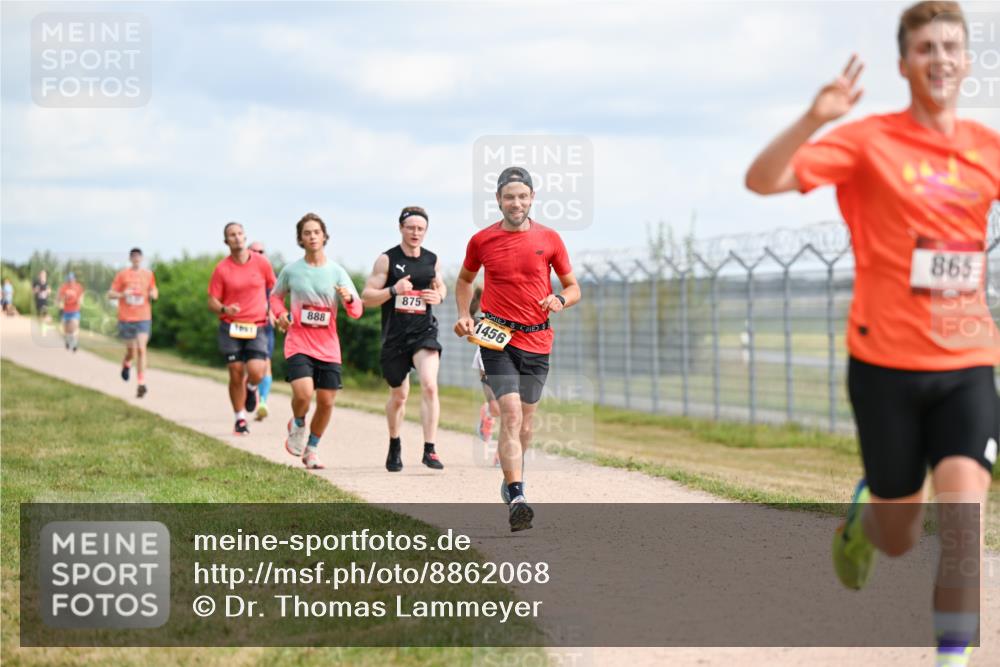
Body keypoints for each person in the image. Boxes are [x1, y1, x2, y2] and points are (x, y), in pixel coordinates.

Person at [745, 2, 1000, 664]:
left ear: (967, 61)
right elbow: (762, 179)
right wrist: (815, 118)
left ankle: (951, 654)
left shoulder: (986, 148)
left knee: (964, 519)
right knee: (899, 535)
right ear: (903, 64)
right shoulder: (867, 142)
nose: (940, 58)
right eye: (925, 48)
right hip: (884, 364)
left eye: (951, 46)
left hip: (969, 359)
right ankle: (866, 520)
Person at [454, 166, 581, 532]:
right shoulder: (481, 241)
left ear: (532, 199)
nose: (516, 203)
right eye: (509, 197)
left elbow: (574, 287)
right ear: (498, 200)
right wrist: (464, 314)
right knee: (508, 414)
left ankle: (511, 481)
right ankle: (518, 494)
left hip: (538, 340)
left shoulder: (550, 239)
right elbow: (464, 280)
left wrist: (560, 298)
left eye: (522, 196)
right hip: (497, 337)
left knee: (526, 422)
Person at [270, 213, 363, 469]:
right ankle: (298, 422)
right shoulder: (291, 270)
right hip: (298, 341)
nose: (312, 236)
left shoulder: (337, 272)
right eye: (307, 232)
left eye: (316, 232)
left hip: (328, 347)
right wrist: (281, 314)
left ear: (324, 236)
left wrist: (348, 299)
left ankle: (311, 448)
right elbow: (275, 298)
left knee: (326, 401)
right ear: (300, 238)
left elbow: (357, 311)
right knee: (303, 393)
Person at [361, 206, 447, 472]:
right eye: (410, 227)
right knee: (399, 396)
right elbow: (366, 296)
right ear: (401, 228)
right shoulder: (387, 260)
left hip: (424, 332)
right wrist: (393, 290)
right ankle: (395, 442)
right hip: (395, 336)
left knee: (430, 386)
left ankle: (429, 449)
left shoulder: (432, 259)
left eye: (420, 228)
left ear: (426, 231)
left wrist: (439, 295)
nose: (415, 232)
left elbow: (440, 285)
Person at [208, 223, 277, 435]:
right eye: (232, 235)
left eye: (239, 234)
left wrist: (274, 312)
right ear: (226, 241)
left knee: (257, 371)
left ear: (245, 236)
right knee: (235, 372)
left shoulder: (262, 264)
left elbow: (274, 291)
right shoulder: (222, 269)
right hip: (231, 326)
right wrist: (224, 308)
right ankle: (239, 419)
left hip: (257, 325)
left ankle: (252, 388)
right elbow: (211, 300)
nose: (237, 238)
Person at [107, 248, 158, 398]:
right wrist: (123, 294)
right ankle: (127, 363)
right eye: (133, 256)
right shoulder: (122, 274)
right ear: (130, 258)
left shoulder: (148, 274)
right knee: (132, 351)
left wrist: (152, 294)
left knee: (142, 349)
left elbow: (155, 291)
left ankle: (141, 383)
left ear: (141, 258)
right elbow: (110, 294)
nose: (136, 258)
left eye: (138, 256)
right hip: (126, 318)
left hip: (143, 317)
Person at [470, 285, 500, 464]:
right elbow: (469, 315)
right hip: (488, 352)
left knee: (512, 409)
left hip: (518, 351)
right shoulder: (488, 288)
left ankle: (503, 453)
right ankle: (488, 413)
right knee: (497, 407)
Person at [249, 241, 276, 421]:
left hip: (264, 327)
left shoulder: (269, 275)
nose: (258, 253)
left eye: (261, 251)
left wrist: (274, 314)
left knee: (265, 363)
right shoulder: (241, 273)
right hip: (244, 326)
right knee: (248, 367)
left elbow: (275, 299)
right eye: (254, 250)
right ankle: (249, 389)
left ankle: (263, 402)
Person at [57, 272, 85, 352]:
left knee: (74, 327)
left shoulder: (78, 287)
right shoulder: (64, 287)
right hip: (66, 311)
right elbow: (60, 298)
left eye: (71, 280)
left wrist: (80, 301)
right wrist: (60, 305)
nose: (70, 282)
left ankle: (75, 344)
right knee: (66, 330)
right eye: (68, 280)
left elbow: (81, 297)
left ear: (74, 279)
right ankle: (68, 341)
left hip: (75, 310)